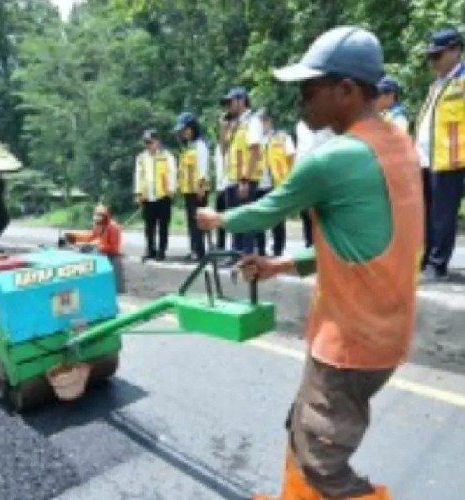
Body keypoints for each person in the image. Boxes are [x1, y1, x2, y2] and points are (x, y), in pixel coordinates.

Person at [197, 26, 421, 500]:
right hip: (385, 332)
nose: (301, 101)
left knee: (321, 460)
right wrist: (281, 267)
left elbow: (265, 210)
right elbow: (362, 247)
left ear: (346, 90)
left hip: (349, 344)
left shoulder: (335, 158)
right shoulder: (397, 143)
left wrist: (217, 218)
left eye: (309, 89)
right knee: (303, 426)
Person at [416, 27, 465, 280]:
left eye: (438, 55)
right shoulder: (438, 84)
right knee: (425, 213)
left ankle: (438, 265)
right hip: (427, 158)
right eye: (430, 57)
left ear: (456, 50)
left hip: (451, 159)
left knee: (442, 216)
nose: (433, 62)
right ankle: (424, 261)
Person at [222, 87, 264, 254]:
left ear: (241, 101)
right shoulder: (235, 124)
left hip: (245, 179)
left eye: (230, 101)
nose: (228, 105)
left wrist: (245, 180)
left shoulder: (252, 122)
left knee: (246, 218)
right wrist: (223, 129)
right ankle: (235, 253)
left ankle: (246, 253)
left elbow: (254, 151)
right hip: (232, 177)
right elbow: (224, 151)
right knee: (234, 219)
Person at [256, 110, 296, 257]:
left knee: (277, 219)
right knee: (258, 217)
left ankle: (278, 249)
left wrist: (291, 181)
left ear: (270, 121)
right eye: (260, 121)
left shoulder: (282, 137)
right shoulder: (254, 140)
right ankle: (260, 248)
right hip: (258, 183)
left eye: (265, 120)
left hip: (276, 183)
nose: (262, 124)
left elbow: (291, 158)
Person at [134, 129, 176, 261]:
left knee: (163, 225)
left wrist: (171, 191)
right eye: (146, 143)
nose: (148, 145)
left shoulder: (166, 156)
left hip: (163, 195)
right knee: (149, 226)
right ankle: (150, 249)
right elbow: (138, 176)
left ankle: (162, 250)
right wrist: (138, 193)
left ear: (157, 141)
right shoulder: (141, 158)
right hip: (148, 196)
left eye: (150, 142)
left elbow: (172, 174)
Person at [174, 112, 210, 260]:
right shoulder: (188, 146)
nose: (183, 133)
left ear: (192, 128)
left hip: (198, 189)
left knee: (199, 222)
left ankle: (200, 251)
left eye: (185, 129)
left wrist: (201, 187)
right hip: (188, 189)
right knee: (191, 222)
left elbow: (202, 167)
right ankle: (194, 248)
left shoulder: (200, 145)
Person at [63, 204, 124, 292]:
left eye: (100, 215)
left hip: (112, 256)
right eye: (96, 214)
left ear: (105, 216)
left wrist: (98, 246)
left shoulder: (113, 227)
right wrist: (74, 237)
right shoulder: (98, 226)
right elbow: (90, 236)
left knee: (115, 287)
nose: (97, 217)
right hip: (101, 253)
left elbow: (114, 247)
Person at [294, 120, 334, 248]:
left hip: (326, 175)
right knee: (306, 216)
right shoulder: (300, 126)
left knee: (324, 217)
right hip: (305, 175)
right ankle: (310, 247)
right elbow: (301, 151)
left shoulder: (331, 122)